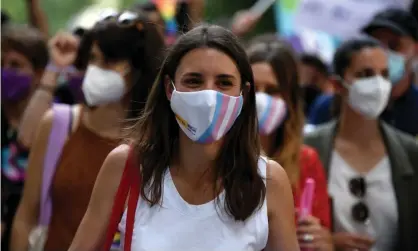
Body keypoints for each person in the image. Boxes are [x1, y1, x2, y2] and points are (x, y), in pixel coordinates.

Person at [69, 25, 299, 251]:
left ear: (244, 94)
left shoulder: (269, 181)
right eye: (194, 81)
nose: (209, 96)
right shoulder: (127, 166)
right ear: (170, 89)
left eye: (224, 83)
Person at [11, 10, 165, 251]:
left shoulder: (155, 142)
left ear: (138, 70)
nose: (96, 69)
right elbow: (25, 217)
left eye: (109, 61)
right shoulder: (60, 124)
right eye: (92, 58)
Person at [305, 37, 418, 251]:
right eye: (365, 74)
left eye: (384, 75)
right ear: (338, 84)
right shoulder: (310, 149)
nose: (378, 84)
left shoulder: (410, 152)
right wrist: (328, 242)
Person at [247, 38, 333, 251]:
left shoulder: (306, 161)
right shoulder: (217, 157)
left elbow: (323, 233)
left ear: (290, 100)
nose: (261, 99)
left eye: (272, 90)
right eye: (254, 89)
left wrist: (321, 239)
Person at [308, 8, 418, 137]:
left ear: (416, 50)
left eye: (394, 45)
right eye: (375, 43)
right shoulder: (328, 107)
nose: (383, 53)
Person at [1, 24, 49, 250]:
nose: (5, 71)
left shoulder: (56, 123)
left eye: (15, 65)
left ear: (39, 73)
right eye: (1, 64)